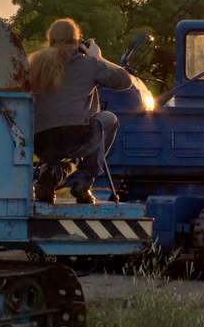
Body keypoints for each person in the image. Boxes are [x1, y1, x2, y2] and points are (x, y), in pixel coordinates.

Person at [28, 18, 131, 204]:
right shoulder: (89, 64)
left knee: (68, 161)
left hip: (40, 142)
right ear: (76, 42)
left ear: (51, 41)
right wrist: (98, 58)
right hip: (76, 138)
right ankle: (84, 183)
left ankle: (50, 175)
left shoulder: (34, 64)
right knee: (109, 119)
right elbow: (125, 81)